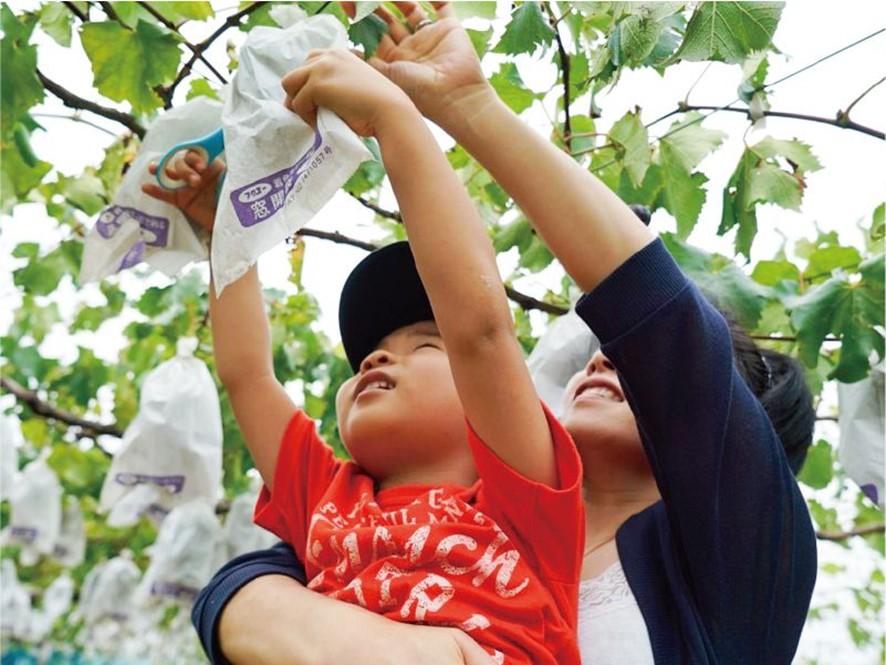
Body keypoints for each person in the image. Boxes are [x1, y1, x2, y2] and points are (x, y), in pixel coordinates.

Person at [191, 3, 819, 664]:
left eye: (648, 371)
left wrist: (416, 120)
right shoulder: (381, 508)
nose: (606, 361)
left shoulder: (738, 552)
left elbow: (615, 314)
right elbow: (238, 587)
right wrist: (232, 224)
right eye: (597, 354)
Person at [143, 45, 585, 665]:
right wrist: (226, 229)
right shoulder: (326, 495)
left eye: (425, 344)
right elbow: (247, 376)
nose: (376, 360)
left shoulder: (523, 496)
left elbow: (479, 329)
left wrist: (394, 119)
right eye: (367, 358)